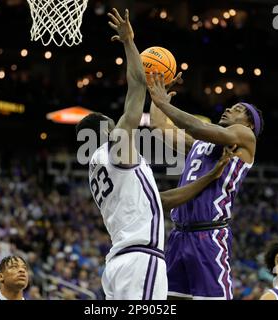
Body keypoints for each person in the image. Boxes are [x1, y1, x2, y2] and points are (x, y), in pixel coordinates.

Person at [76, 8, 237, 300]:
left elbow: (161, 201)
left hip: (118, 265)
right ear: (108, 128)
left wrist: (210, 177)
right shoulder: (116, 147)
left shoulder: (99, 168)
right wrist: (128, 41)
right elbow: (136, 86)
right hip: (139, 260)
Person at [148, 72, 264, 299]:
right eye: (231, 107)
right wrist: (156, 93)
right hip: (179, 235)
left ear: (250, 123)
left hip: (208, 236)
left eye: (238, 109)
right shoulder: (199, 146)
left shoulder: (245, 136)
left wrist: (163, 103)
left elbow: (198, 127)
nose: (229, 109)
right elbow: (158, 125)